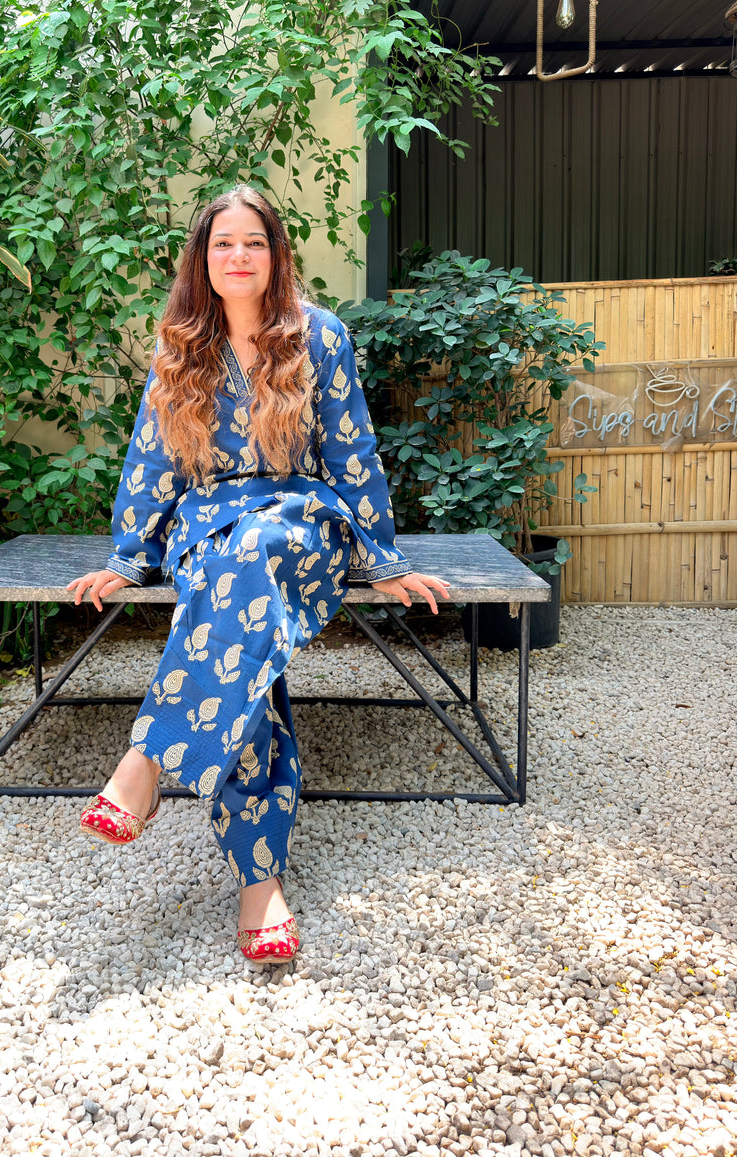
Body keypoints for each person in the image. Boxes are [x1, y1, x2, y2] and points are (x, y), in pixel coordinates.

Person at [67, 185, 449, 966]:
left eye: (254, 242)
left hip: (300, 525)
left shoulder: (320, 336)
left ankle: (147, 760)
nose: (238, 255)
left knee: (246, 563)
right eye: (223, 243)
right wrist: (127, 557)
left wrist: (382, 559)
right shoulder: (182, 346)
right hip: (208, 526)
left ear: (276, 253)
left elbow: (351, 448)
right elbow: (152, 458)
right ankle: (259, 882)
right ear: (202, 259)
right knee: (244, 642)